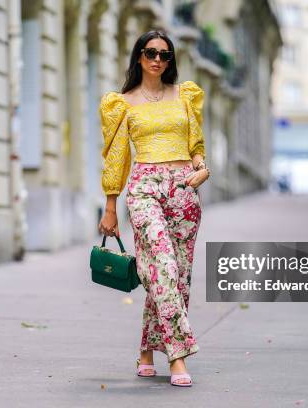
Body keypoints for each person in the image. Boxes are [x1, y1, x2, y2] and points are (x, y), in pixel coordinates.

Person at [97, 30, 210, 387]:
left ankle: (147, 349)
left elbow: (196, 146)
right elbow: (117, 159)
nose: (158, 60)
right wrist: (110, 206)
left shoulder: (185, 96)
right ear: (139, 57)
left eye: (165, 54)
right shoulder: (122, 102)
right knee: (162, 264)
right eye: (150, 53)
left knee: (174, 275)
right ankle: (177, 355)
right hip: (144, 187)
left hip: (183, 188)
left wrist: (201, 167)